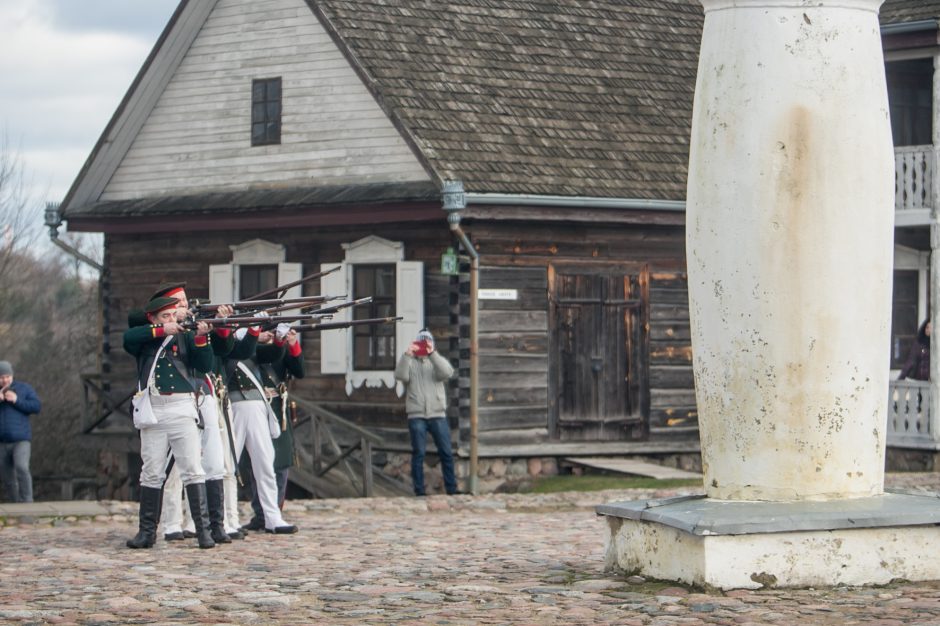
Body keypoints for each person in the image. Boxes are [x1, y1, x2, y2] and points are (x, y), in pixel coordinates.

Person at [123, 296, 216, 549]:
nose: (172, 319)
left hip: (181, 408)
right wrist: (162, 330)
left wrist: (201, 337)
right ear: (153, 318)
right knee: (152, 472)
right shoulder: (145, 338)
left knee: (192, 470)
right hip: (153, 409)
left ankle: (204, 531)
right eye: (165, 316)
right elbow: (128, 339)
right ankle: (147, 532)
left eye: (174, 315)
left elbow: (205, 364)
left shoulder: (186, 336)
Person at [224, 325, 298, 534]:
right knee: (228, 464)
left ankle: (272, 516)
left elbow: (274, 353)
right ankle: (227, 519)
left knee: (265, 462)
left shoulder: (253, 348)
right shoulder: (225, 345)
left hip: (257, 406)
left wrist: (279, 339)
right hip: (234, 405)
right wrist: (243, 334)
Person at [242, 327, 304, 531]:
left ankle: (274, 511)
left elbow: (299, 371)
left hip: (278, 409)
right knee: (255, 462)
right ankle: (260, 514)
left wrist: (293, 344)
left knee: (280, 461)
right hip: (255, 405)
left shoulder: (282, 349)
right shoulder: (248, 348)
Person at [394, 329, 458, 496]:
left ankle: (452, 490)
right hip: (417, 415)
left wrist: (433, 354)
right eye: (421, 342)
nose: (424, 345)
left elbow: (448, 373)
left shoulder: (436, 361)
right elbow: (400, 375)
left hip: (437, 414)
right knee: (419, 454)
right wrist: (407, 355)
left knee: (446, 452)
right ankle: (419, 491)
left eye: (427, 342)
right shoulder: (409, 361)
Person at [0, 361, 41, 503]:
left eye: (7, 376)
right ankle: (15, 504)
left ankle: (27, 502)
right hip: (1, 442)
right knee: (7, 478)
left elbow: (36, 406)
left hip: (21, 439)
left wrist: (17, 400)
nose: (5, 380)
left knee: (22, 467)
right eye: (1, 377)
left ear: (12, 375)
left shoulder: (24, 388)